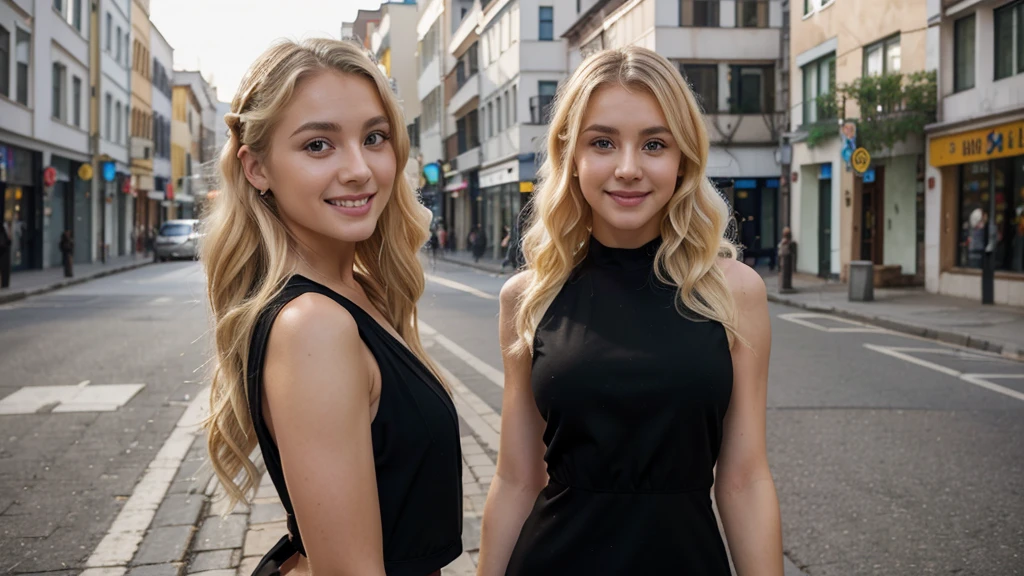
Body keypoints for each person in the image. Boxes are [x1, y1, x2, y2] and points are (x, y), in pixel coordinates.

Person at [476, 46, 783, 575]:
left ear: (682, 158)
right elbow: (516, 479)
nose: (627, 168)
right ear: (572, 157)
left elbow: (745, 478)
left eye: (654, 144)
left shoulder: (734, 293)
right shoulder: (528, 297)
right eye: (602, 143)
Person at [201, 39, 462, 576]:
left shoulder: (360, 290)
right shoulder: (313, 326)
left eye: (374, 137)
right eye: (319, 145)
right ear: (257, 168)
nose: (359, 169)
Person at [0, 221, 11, 288]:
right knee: (4, 268)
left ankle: (5, 284)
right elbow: (8, 241)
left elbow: (8, 241)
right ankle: (4, 284)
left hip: (3, 250)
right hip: (4, 250)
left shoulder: (4, 227)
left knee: (4, 267)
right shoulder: (4, 227)